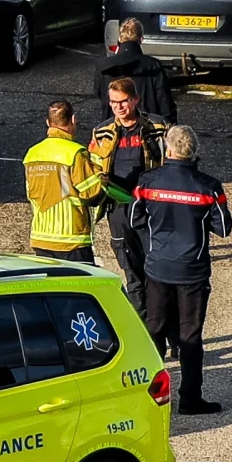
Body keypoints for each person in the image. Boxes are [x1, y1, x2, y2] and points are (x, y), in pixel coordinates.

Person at [131, 124, 232, 414]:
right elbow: (224, 228)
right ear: (194, 151)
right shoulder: (208, 187)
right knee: (190, 336)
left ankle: (145, 396)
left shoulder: (148, 182)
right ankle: (190, 398)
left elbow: (136, 218)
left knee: (154, 330)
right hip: (192, 271)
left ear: (168, 149)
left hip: (158, 267)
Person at [86, 80, 164, 299]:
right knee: (130, 269)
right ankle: (140, 319)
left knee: (155, 266)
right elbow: (92, 166)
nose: (118, 107)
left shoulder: (157, 127)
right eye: (113, 102)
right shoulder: (102, 132)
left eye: (123, 101)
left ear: (135, 99)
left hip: (150, 205)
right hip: (118, 207)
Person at [21, 100, 103, 264]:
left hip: (41, 237)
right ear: (73, 120)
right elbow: (91, 193)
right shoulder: (75, 153)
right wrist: (100, 175)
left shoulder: (32, 154)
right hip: (71, 240)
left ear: (47, 123)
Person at [93, 18, 179, 125]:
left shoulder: (104, 66)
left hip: (113, 127)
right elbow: (165, 102)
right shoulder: (153, 66)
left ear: (120, 38)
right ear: (141, 39)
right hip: (147, 128)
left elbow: (99, 93)